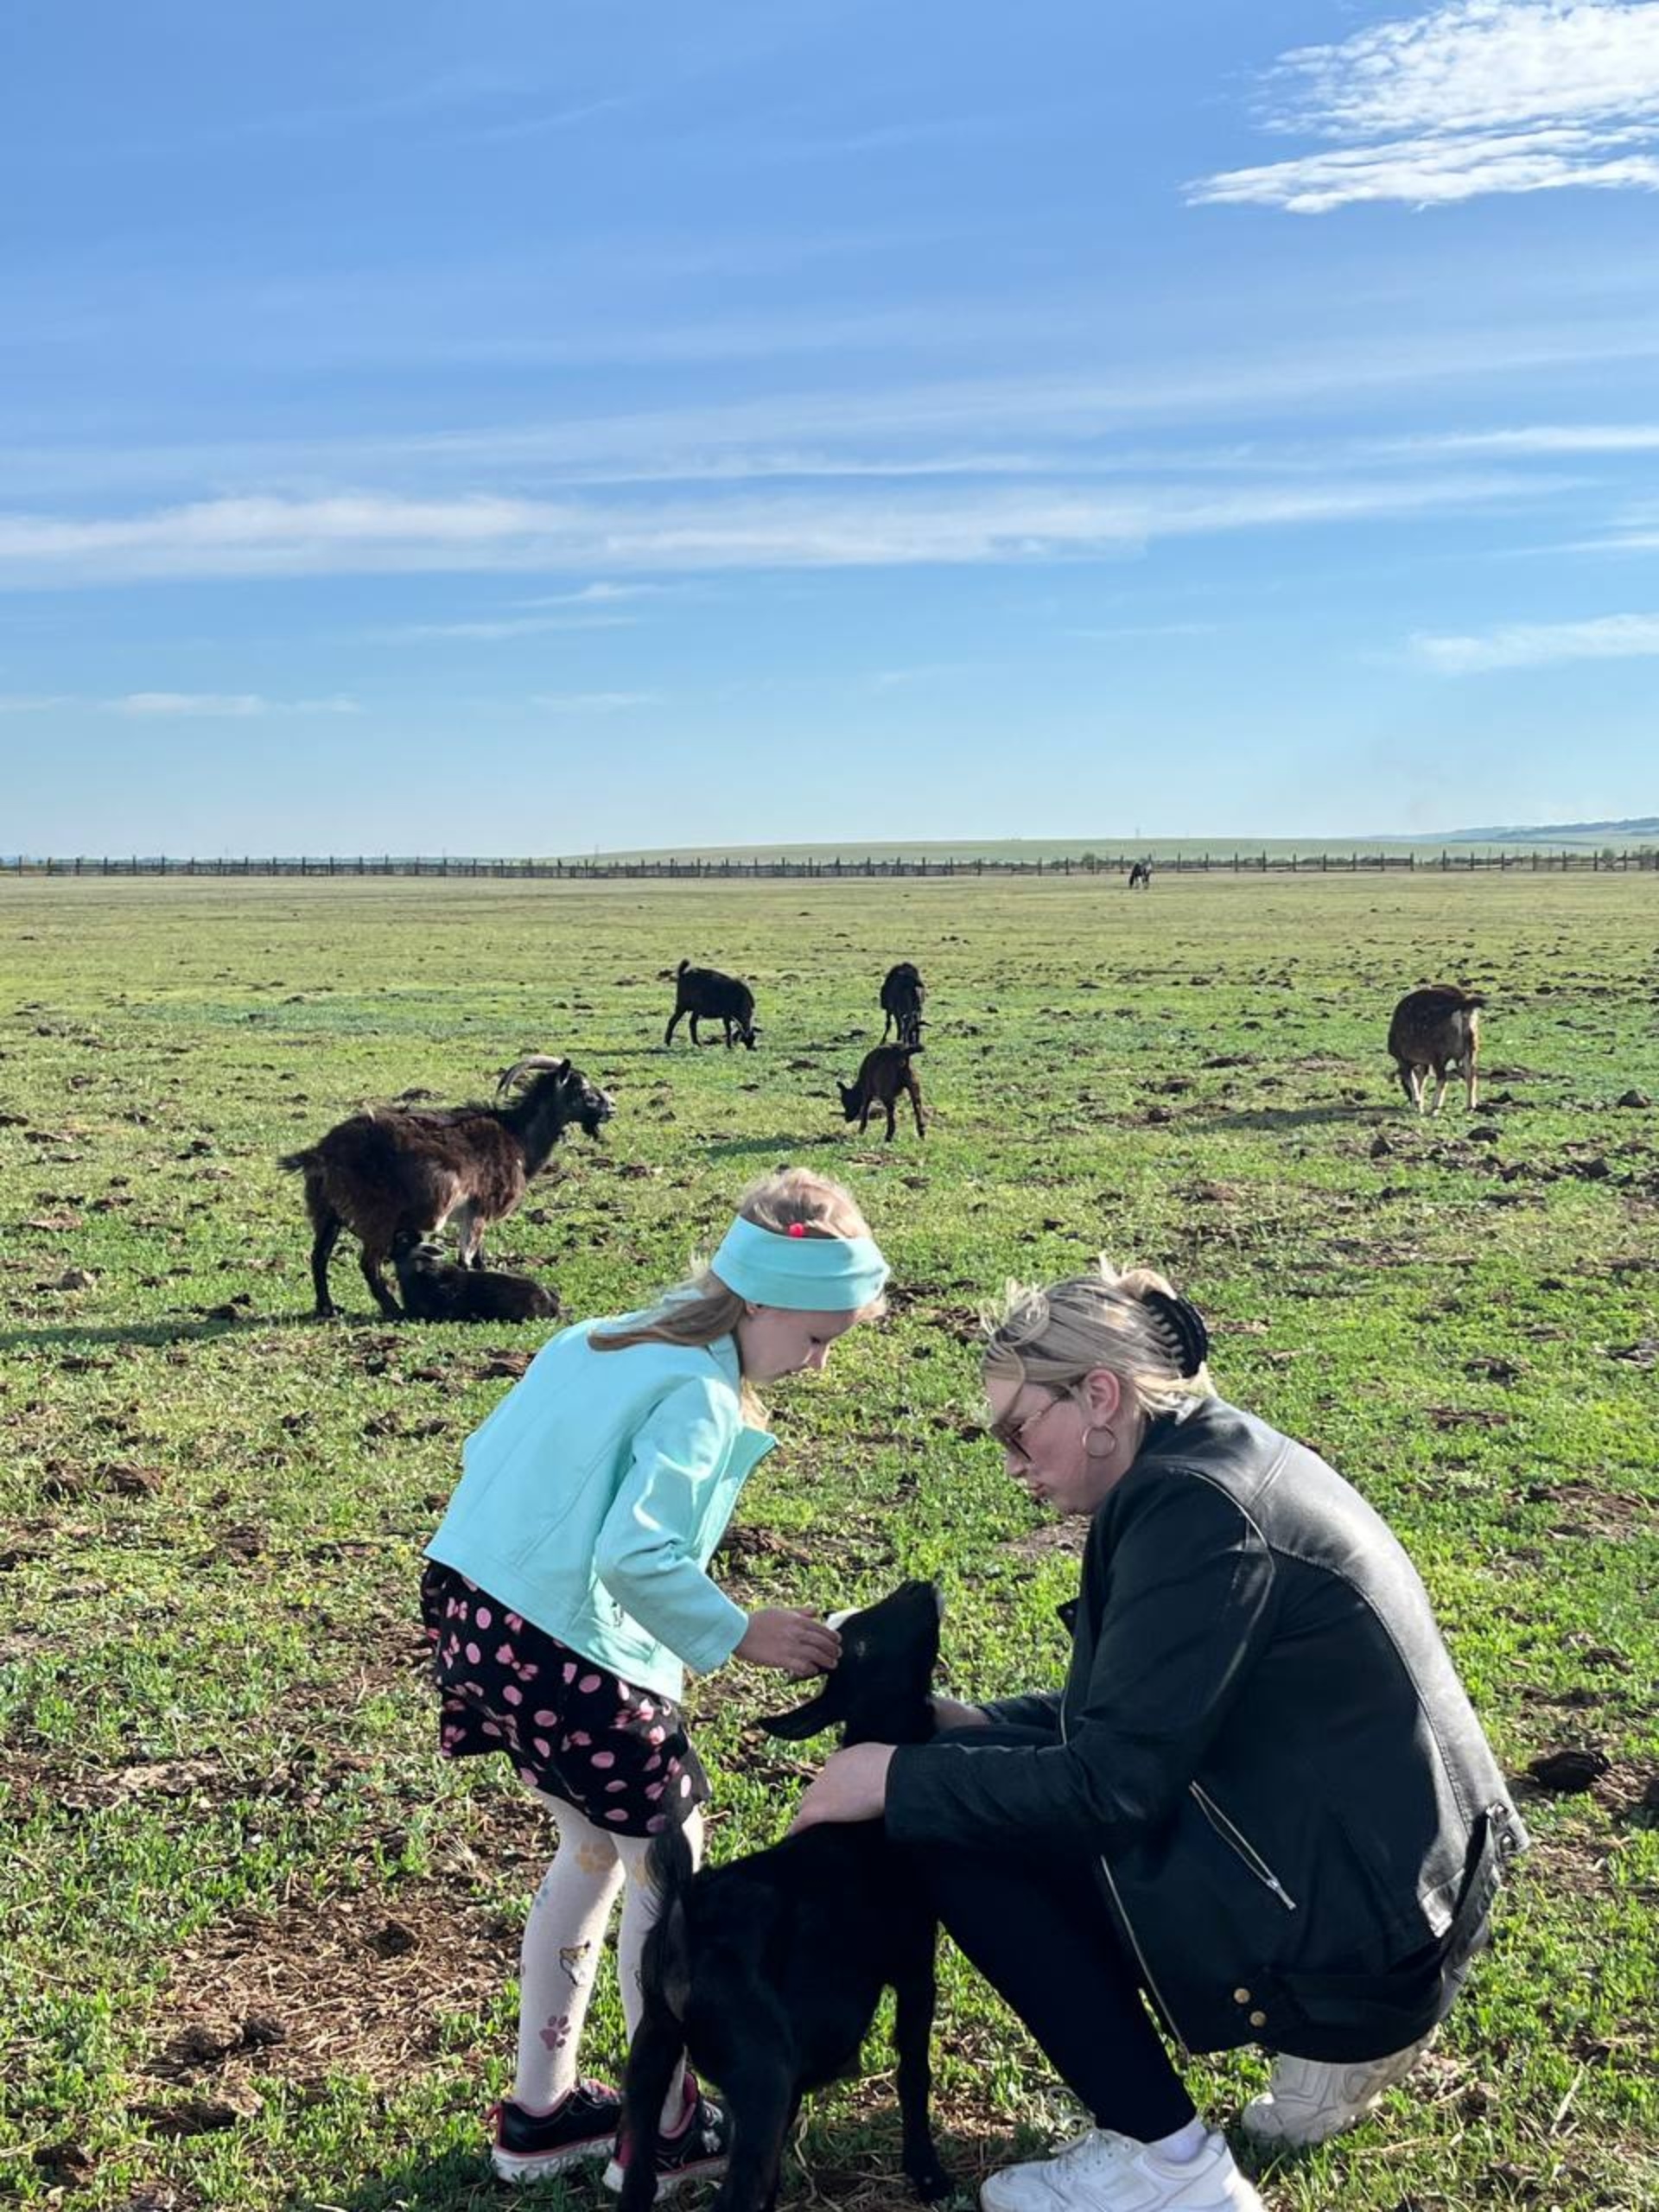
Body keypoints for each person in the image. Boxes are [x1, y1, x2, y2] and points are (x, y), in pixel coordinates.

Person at [791, 1259, 1528, 2212]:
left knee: (941, 1827)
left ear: (1099, 1394)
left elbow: (1112, 1789)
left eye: (1019, 1432)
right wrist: (968, 1727)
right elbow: (1151, 1712)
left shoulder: (1196, 1516)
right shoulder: (1201, 1460)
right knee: (956, 1772)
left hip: (1359, 1940)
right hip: (1390, 1903)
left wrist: (895, 1780)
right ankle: (1325, 2058)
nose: (1013, 1465)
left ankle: (1168, 2163)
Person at [420, 1167, 889, 2189]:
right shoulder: (702, 1393)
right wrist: (737, 1631)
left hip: (472, 1615)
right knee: (670, 1869)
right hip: (561, 1648)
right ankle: (663, 2122)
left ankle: (543, 2112)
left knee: (589, 1846)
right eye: (815, 1339)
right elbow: (636, 1558)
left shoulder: (600, 1337)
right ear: (758, 1297)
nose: (815, 1364)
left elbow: (484, 1451)